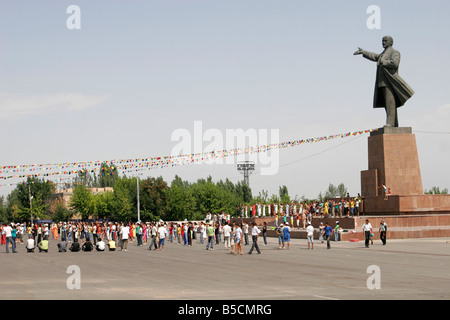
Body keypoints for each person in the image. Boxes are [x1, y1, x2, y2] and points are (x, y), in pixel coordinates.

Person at [354, 36, 414, 127]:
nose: (383, 42)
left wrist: (383, 61)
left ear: (390, 43)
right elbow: (374, 56)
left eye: (385, 41)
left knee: (390, 103)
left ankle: (390, 123)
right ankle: (394, 123)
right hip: (382, 81)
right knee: (388, 104)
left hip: (390, 81)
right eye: (382, 41)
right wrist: (363, 52)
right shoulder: (383, 53)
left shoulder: (395, 52)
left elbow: (394, 63)